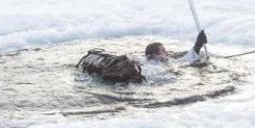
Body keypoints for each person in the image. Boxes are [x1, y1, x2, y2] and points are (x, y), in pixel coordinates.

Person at [77, 31, 208, 84]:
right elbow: (184, 62)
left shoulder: (145, 62)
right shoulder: (152, 65)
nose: (166, 54)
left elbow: (184, 59)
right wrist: (197, 46)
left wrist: (198, 45)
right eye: (163, 51)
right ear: (154, 55)